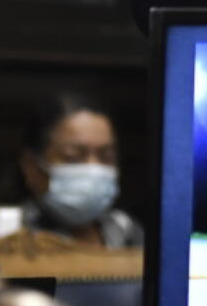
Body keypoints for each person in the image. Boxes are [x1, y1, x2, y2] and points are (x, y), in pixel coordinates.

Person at [13, 94, 142, 249]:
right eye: (73, 157)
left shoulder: (126, 230)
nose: (94, 169)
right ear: (31, 167)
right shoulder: (11, 234)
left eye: (106, 157)